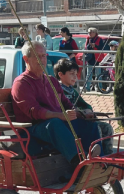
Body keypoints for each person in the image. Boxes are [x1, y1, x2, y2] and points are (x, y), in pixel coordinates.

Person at [11, 41, 102, 171]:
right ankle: (79, 163)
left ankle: (98, 161)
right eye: (38, 56)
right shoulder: (21, 83)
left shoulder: (51, 80)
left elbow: (66, 103)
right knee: (54, 124)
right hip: (33, 129)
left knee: (89, 124)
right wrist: (59, 115)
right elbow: (35, 112)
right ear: (26, 59)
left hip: (56, 124)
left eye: (44, 56)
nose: (42, 60)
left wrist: (79, 113)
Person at [54, 58, 114, 155]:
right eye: (71, 73)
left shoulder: (72, 91)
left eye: (76, 74)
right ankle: (96, 155)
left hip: (79, 120)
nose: (75, 77)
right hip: (68, 123)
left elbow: (85, 105)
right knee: (95, 128)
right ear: (60, 75)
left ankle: (108, 156)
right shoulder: (57, 90)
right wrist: (78, 112)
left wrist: (87, 111)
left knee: (107, 128)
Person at [84, 28, 102, 92]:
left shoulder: (99, 39)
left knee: (98, 74)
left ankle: (99, 88)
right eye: (89, 32)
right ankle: (87, 88)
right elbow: (86, 47)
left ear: (95, 33)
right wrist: (90, 45)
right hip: (90, 58)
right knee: (89, 74)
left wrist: (95, 46)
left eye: (91, 32)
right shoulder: (88, 39)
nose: (90, 33)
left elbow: (102, 48)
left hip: (97, 58)